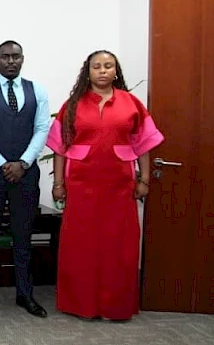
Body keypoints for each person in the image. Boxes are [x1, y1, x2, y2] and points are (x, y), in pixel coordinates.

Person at [48, 50, 163, 321]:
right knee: (81, 245)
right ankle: (81, 304)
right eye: (96, 66)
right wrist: (57, 183)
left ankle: (116, 306)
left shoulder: (131, 103)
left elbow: (143, 145)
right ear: (87, 72)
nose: (102, 71)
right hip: (80, 185)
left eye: (108, 66)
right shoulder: (73, 104)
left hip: (119, 187)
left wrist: (144, 179)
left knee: (118, 246)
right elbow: (60, 148)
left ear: (116, 71)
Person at [0, 40, 50, 318]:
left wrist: (24, 162)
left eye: (15, 57)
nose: (11, 61)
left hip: (26, 174)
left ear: (23, 59)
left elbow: (42, 129)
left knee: (23, 236)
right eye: (5, 57)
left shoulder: (36, 89)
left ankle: (25, 295)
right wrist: (4, 163)